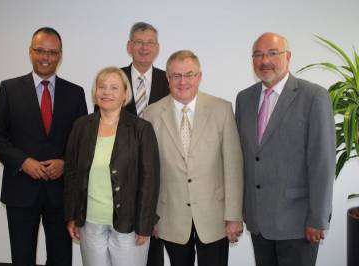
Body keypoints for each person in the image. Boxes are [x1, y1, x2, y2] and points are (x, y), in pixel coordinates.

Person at [0, 27, 87, 266]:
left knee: (61, 258)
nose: (45, 57)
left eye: (52, 52)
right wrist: (22, 161)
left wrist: (65, 163)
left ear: (60, 55)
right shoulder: (9, 89)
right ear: (30, 52)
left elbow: (83, 142)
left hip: (61, 193)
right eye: (40, 50)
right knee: (22, 257)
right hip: (20, 191)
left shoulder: (75, 93)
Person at [235, 32, 335, 266]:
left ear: (288, 56)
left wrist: (318, 219)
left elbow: (322, 162)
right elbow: (244, 158)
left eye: (272, 53)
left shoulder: (313, 96)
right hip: (258, 221)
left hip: (298, 223)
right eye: (258, 55)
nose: (264, 60)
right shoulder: (244, 99)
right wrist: (241, 208)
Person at [144, 50, 244, 266]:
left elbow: (233, 166)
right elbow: (149, 172)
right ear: (168, 78)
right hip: (171, 217)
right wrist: (150, 216)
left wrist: (234, 215)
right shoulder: (151, 114)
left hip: (215, 217)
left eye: (189, 74)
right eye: (176, 76)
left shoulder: (222, 109)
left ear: (199, 76)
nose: (183, 82)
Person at [64, 67, 160, 266]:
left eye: (114, 88)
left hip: (129, 224)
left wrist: (145, 224)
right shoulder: (81, 126)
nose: (106, 92)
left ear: (125, 94)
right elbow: (71, 173)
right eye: (102, 87)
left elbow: (150, 179)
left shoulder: (141, 129)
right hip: (90, 222)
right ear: (95, 92)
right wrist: (72, 215)